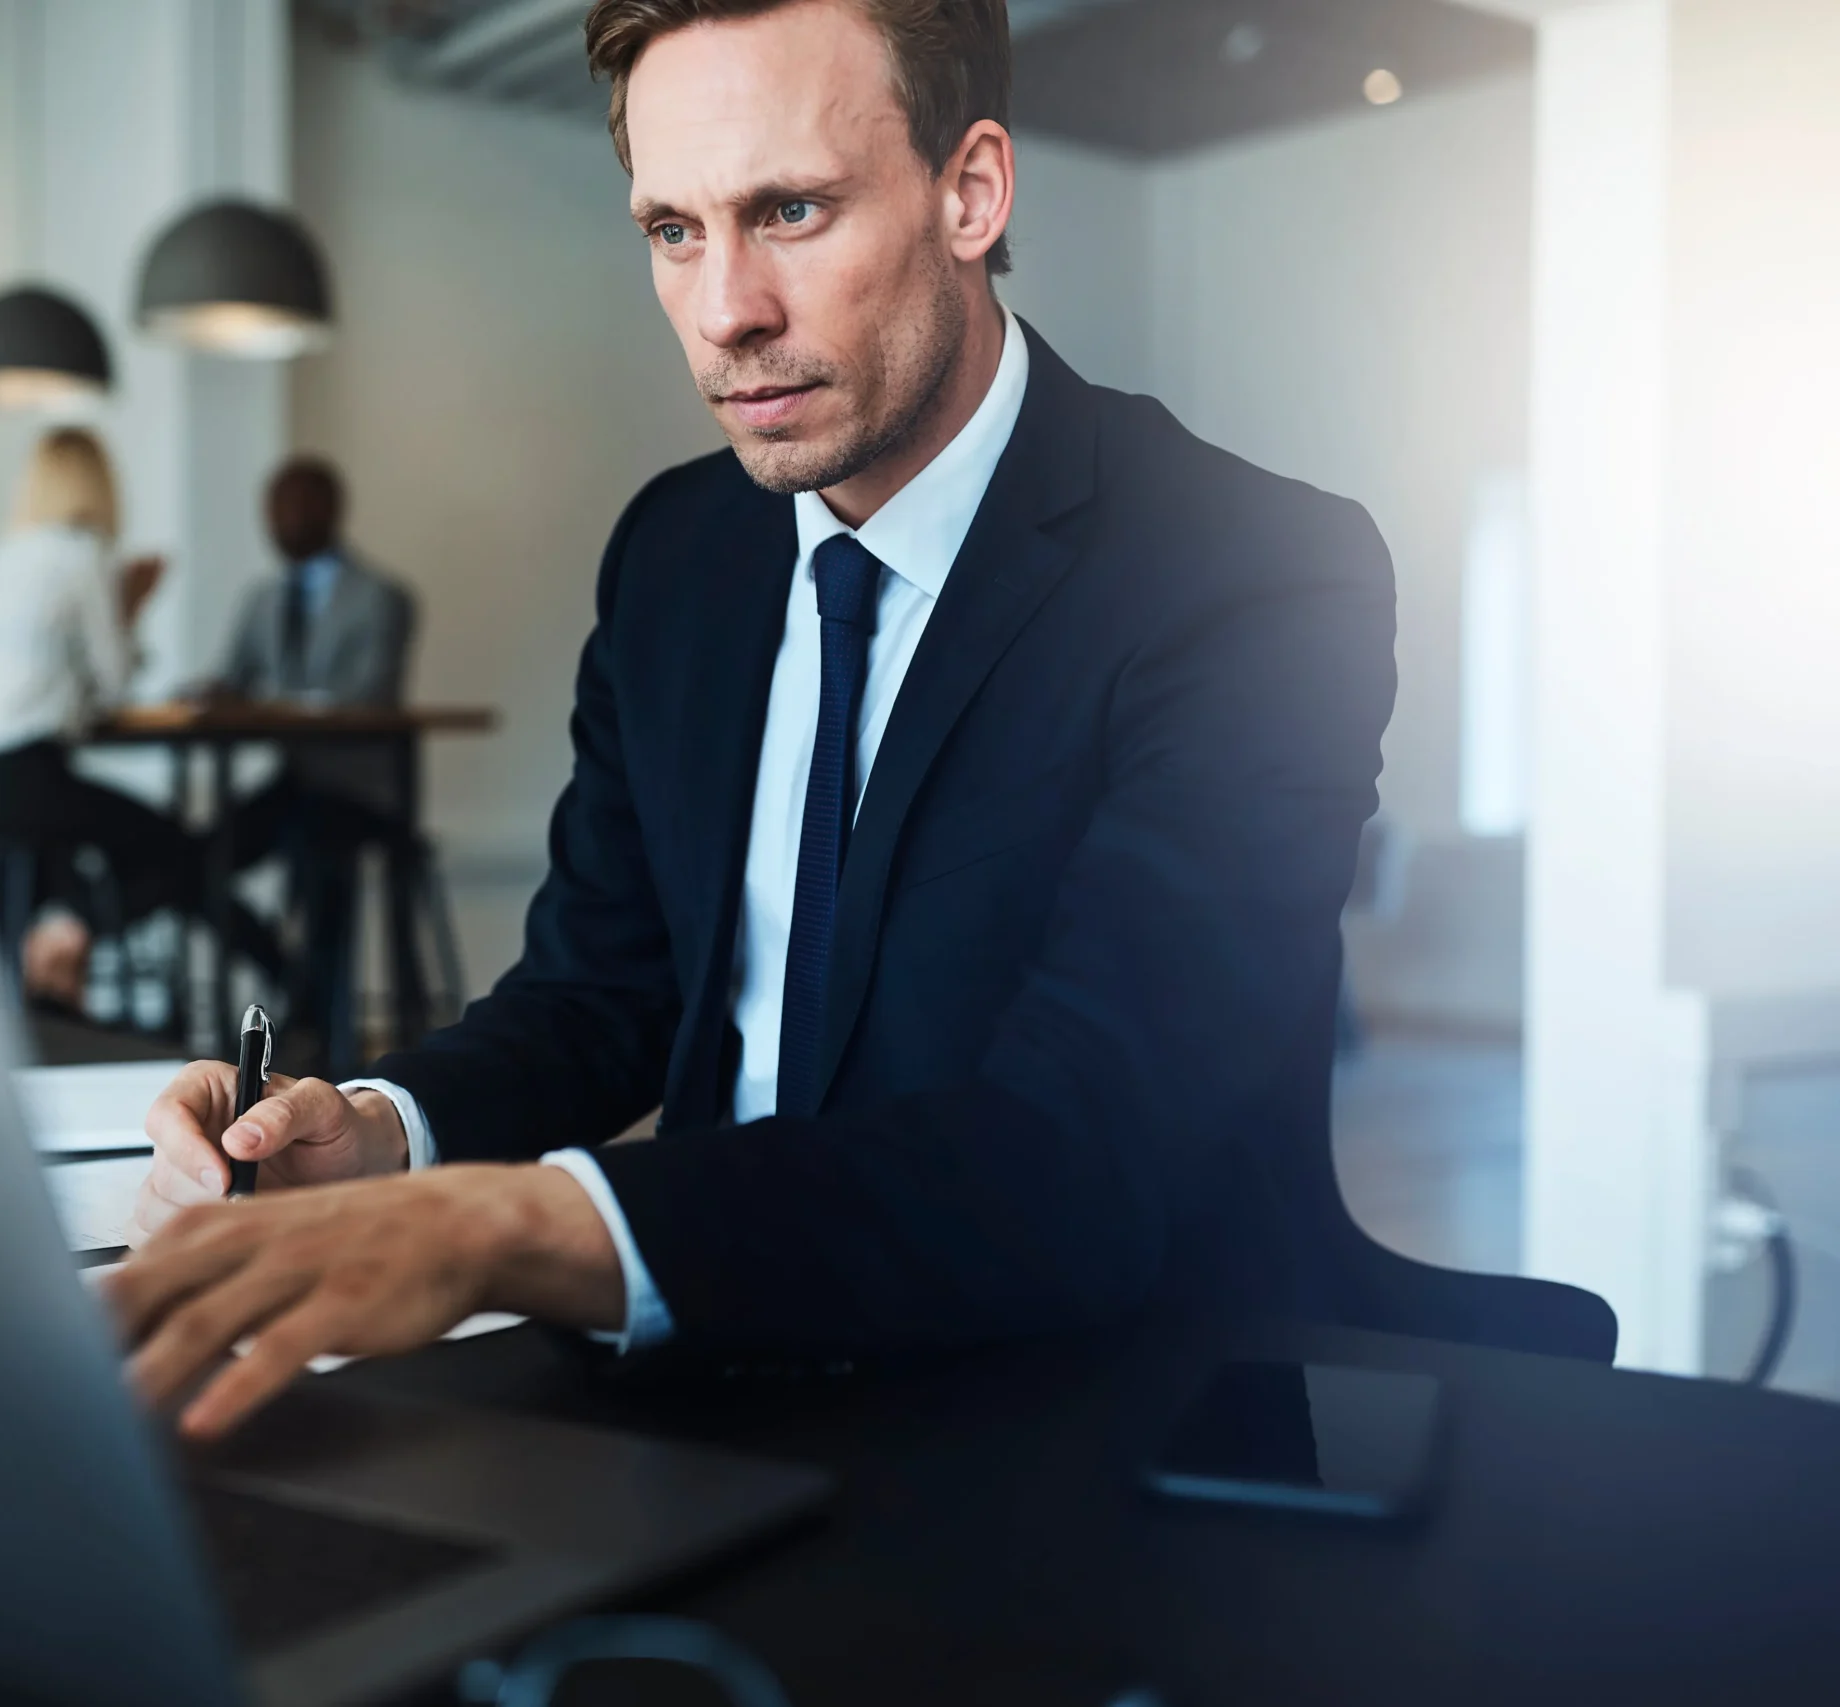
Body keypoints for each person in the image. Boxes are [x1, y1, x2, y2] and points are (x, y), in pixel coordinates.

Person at [111, 0, 1397, 1444]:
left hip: (1093, 1462)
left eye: (789, 210)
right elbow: (601, 993)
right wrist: (381, 1131)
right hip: (700, 1404)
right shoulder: (677, 554)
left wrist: (496, 1226)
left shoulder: (1253, 570)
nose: (727, 310)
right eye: (674, 230)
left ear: (969, 190)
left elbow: (1085, 1149)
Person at [0, 429, 272, 970]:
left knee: (145, 852)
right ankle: (69, 931)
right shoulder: (82, 553)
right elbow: (113, 684)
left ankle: (60, 938)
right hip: (22, 774)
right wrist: (130, 606)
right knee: (178, 851)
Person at [209, 458, 419, 1060]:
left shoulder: (382, 598)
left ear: (331, 510)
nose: (284, 520)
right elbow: (233, 678)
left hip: (359, 792)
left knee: (318, 849)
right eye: (274, 507)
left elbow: (367, 696)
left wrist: (269, 703)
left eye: (297, 504)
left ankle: (321, 1032)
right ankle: (292, 984)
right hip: (292, 781)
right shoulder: (262, 599)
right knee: (204, 856)